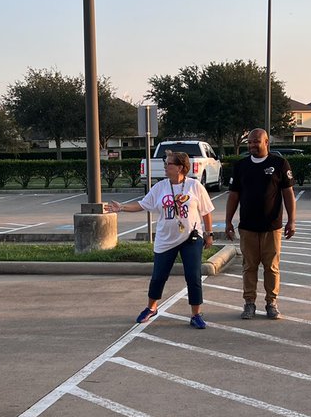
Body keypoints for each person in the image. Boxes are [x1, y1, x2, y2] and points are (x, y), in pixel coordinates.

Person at [107, 150, 215, 329]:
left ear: (180, 167)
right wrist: (122, 207)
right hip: (166, 239)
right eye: (165, 164)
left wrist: (209, 234)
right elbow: (143, 204)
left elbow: (206, 211)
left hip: (191, 237)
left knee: (193, 276)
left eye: (169, 164)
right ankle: (151, 307)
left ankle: (196, 314)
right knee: (158, 276)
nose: (165, 167)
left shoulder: (194, 186)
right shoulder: (160, 187)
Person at [224, 128, 296, 320]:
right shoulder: (241, 166)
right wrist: (228, 221)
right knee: (249, 266)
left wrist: (292, 220)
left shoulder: (279, 163)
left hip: (272, 226)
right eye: (249, 142)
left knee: (271, 267)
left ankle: (271, 303)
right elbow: (233, 196)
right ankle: (249, 303)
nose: (252, 145)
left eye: (256, 141)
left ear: (266, 143)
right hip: (247, 226)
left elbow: (288, 194)